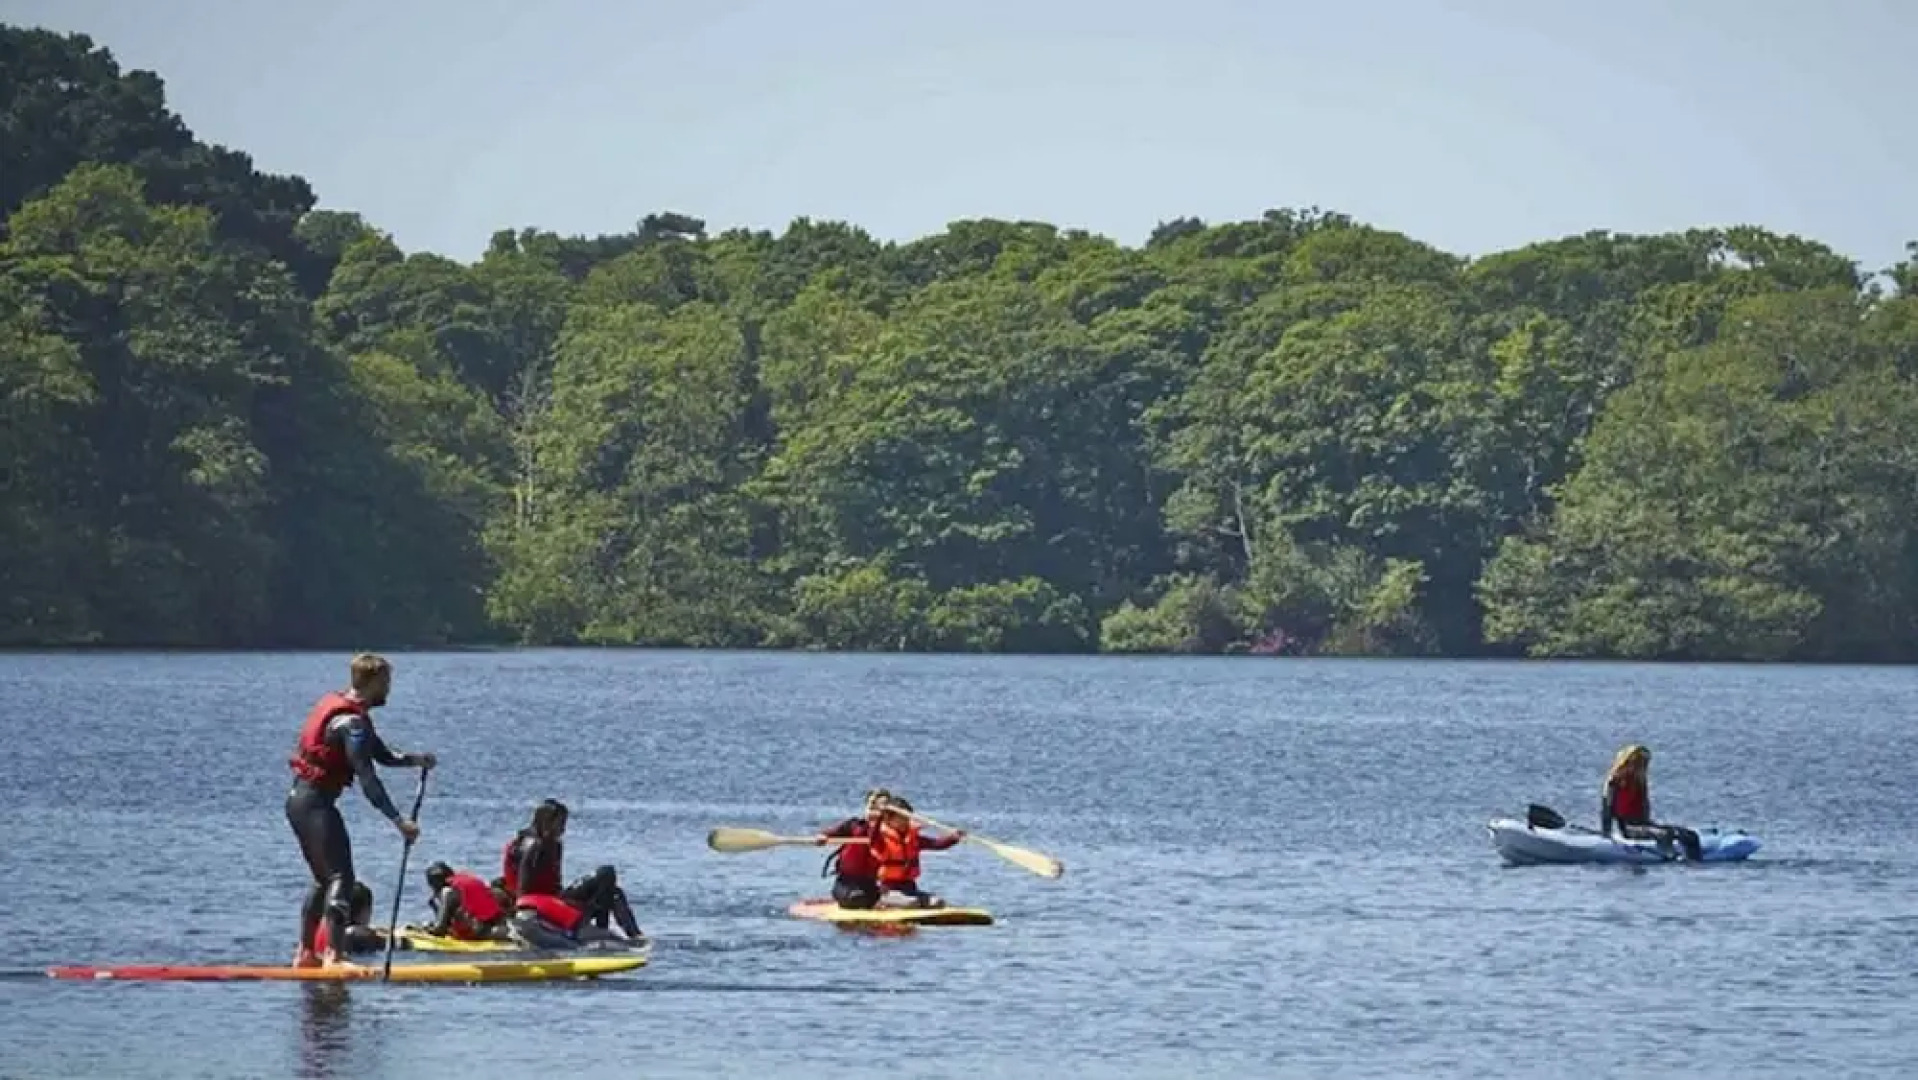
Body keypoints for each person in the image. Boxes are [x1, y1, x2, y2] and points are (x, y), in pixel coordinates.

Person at [285, 653, 435, 968]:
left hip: (300, 801)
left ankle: (305, 954)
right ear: (371, 682)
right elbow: (368, 778)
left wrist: (415, 759)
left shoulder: (351, 715)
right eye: (385, 683)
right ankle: (333, 956)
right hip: (314, 804)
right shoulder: (351, 723)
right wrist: (399, 821)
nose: (388, 691)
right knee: (342, 876)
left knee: (323, 878)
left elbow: (382, 754)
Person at [499, 800, 645, 947]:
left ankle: (634, 936)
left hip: (554, 898)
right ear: (547, 821)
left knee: (612, 891)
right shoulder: (532, 845)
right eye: (560, 823)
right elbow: (523, 889)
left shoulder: (554, 844)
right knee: (606, 873)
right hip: (538, 904)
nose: (563, 828)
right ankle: (605, 931)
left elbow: (555, 882)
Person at [1600, 744, 1703, 861]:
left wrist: (1650, 825)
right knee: (1663, 834)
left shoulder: (1640, 782)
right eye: (1638, 762)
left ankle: (1696, 860)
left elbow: (1645, 809)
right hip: (1628, 828)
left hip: (1644, 825)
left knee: (1690, 835)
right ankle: (1672, 857)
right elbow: (1607, 809)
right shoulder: (1613, 783)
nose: (1642, 766)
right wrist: (1606, 833)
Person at [870, 795, 965, 908]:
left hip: (910, 888)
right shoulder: (881, 840)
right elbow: (873, 836)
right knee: (911, 903)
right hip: (889, 890)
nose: (905, 822)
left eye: (907, 818)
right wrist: (880, 815)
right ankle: (882, 904)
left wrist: (953, 838)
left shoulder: (913, 839)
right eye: (901, 818)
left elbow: (936, 844)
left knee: (937, 902)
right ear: (888, 820)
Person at [813, 788, 891, 909]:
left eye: (879, 808)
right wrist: (822, 837)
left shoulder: (890, 832)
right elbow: (830, 833)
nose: (874, 811)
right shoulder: (854, 825)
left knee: (872, 897)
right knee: (857, 898)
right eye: (871, 806)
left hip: (870, 884)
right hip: (846, 883)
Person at [423, 861, 510, 941]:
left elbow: (440, 930)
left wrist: (429, 927)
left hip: (476, 930)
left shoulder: (448, 891)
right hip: (495, 923)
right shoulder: (466, 879)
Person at [311, 882, 385, 956]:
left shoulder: (329, 924)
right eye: (370, 910)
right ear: (364, 911)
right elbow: (383, 944)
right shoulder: (355, 933)